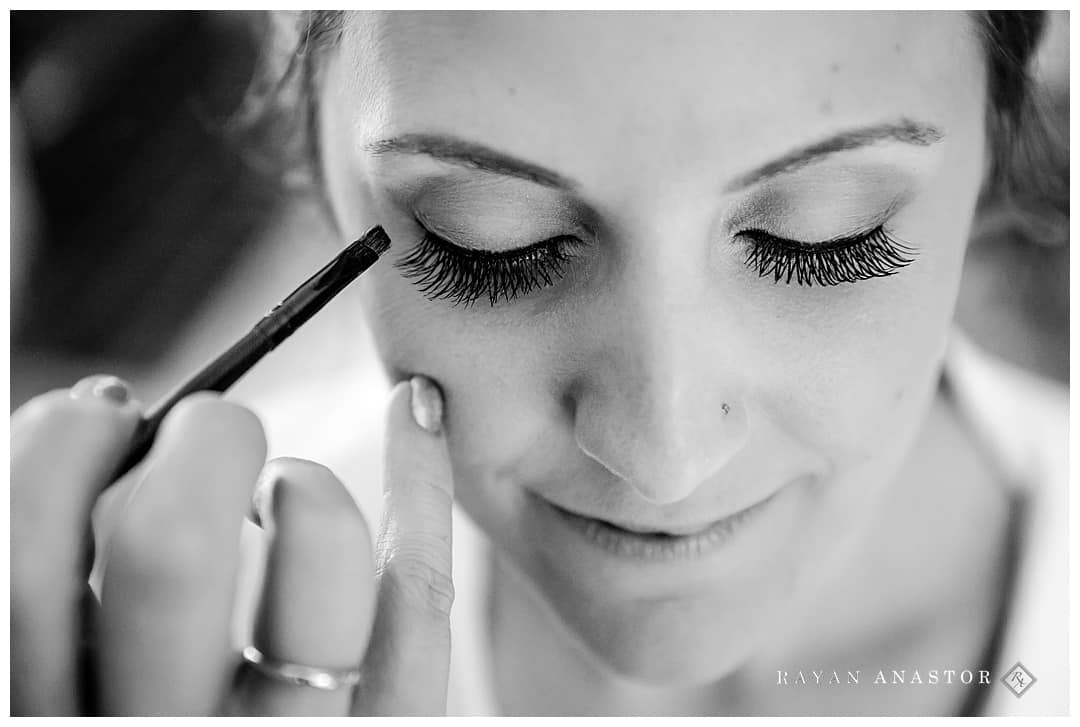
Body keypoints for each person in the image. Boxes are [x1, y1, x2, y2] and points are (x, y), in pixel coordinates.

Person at [10, 10, 1067, 716]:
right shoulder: (158, 608)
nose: (664, 458)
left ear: (1002, 137)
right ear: (319, 171)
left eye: (824, 235)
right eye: (490, 241)